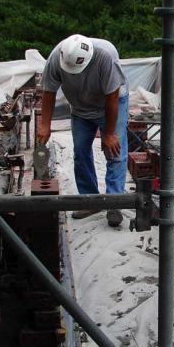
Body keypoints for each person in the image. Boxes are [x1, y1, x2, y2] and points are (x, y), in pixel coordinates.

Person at [37, 34, 129, 227]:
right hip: (79, 109)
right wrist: (45, 125)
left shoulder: (105, 56)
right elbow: (49, 92)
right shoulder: (57, 57)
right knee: (80, 151)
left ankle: (114, 202)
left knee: (115, 151)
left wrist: (110, 134)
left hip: (110, 104)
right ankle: (90, 200)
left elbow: (112, 97)